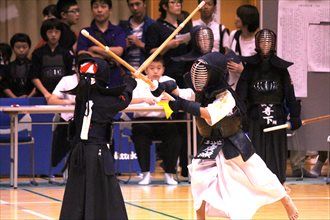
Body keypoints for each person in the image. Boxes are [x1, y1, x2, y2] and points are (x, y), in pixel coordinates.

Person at [153, 52, 299, 219]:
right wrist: (165, 86)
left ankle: (285, 200)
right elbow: (181, 94)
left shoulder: (226, 97)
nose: (198, 77)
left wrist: (182, 105)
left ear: (214, 75)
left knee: (261, 177)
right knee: (199, 179)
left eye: (203, 73)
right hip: (210, 144)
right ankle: (201, 217)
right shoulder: (200, 92)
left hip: (234, 143)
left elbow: (208, 114)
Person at [59, 56, 136, 219]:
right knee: (103, 193)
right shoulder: (101, 100)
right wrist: (130, 82)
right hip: (95, 152)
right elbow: (123, 99)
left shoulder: (82, 95)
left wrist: (126, 79)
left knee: (79, 193)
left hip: (79, 153)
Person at [236, 29, 302, 187]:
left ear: (273, 44)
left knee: (277, 149)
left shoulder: (281, 69)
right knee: (256, 149)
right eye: (262, 41)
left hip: (277, 116)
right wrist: (240, 118)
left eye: (268, 41)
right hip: (255, 116)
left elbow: (289, 94)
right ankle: (255, 182)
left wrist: (294, 116)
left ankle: (278, 181)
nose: (265, 45)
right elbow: (241, 95)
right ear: (257, 44)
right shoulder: (250, 68)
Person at [130, 55, 193, 185]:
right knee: (141, 135)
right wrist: (143, 100)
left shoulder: (168, 81)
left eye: (158, 68)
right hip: (143, 121)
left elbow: (181, 96)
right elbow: (127, 100)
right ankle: (145, 174)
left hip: (164, 120)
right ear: (146, 70)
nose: (155, 71)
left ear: (163, 69)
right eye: (151, 68)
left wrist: (171, 98)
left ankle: (169, 173)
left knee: (174, 137)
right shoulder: (138, 81)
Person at [76, 0, 126, 87]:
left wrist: (94, 49)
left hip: (114, 78)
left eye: (103, 6)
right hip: (93, 79)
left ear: (110, 10)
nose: (99, 10)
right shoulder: (85, 32)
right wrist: (110, 56)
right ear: (91, 10)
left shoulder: (118, 31)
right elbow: (82, 55)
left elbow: (119, 52)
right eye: (96, 7)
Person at [29, 18, 74, 99]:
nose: (53, 35)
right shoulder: (37, 53)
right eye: (50, 32)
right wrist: (46, 93)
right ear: (45, 33)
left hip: (62, 96)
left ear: (61, 33)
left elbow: (70, 76)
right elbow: (34, 76)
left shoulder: (67, 53)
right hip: (42, 95)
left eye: (56, 32)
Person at [47, 70, 78, 168]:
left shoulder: (96, 79)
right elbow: (51, 100)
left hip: (90, 121)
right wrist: (68, 102)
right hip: (68, 122)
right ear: (76, 68)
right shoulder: (67, 80)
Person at [227, 4, 260, 90]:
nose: (235, 19)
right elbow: (227, 54)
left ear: (247, 19)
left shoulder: (258, 41)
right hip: (232, 87)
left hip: (251, 89)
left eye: (238, 16)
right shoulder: (233, 35)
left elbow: (263, 71)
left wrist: (243, 71)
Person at [119, 0, 155, 71]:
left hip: (147, 71)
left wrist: (140, 44)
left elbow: (157, 51)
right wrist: (123, 45)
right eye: (131, 5)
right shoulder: (122, 26)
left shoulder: (153, 25)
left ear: (144, 4)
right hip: (127, 71)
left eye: (138, 4)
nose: (135, 8)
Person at [1, 33, 35, 98]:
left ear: (29, 47)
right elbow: (4, 86)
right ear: (13, 48)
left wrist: (29, 97)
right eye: (18, 47)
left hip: (33, 100)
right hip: (12, 102)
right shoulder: (8, 67)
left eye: (24, 47)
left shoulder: (34, 65)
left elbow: (37, 84)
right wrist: (16, 98)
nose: (21, 50)